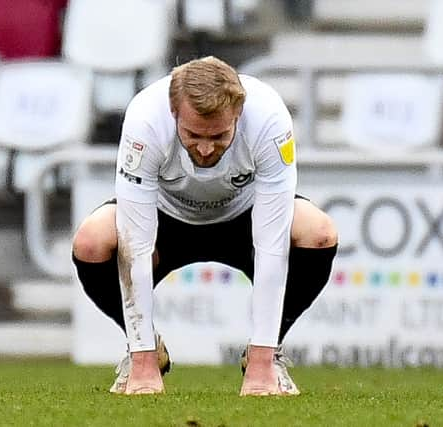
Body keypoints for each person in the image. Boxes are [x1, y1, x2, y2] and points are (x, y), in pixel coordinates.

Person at [72, 56, 338, 396]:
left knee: (319, 233)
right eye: (193, 134)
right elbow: (135, 243)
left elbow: (272, 243)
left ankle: (271, 355)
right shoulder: (145, 118)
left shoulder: (269, 116)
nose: (205, 148)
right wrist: (143, 361)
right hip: (165, 217)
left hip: (244, 214)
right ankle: (143, 346)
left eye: (220, 135)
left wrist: (260, 363)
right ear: (174, 113)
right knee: (91, 241)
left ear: (238, 115)